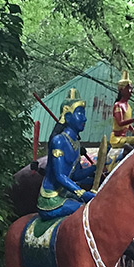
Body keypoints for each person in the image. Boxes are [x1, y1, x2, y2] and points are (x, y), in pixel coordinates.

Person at [37, 89, 97, 220]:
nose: (84, 118)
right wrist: (82, 193)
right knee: (86, 211)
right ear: (68, 116)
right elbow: (60, 176)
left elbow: (75, 175)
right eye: (80, 114)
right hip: (52, 198)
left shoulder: (75, 142)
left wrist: (94, 169)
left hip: (65, 194)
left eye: (84, 114)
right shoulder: (58, 141)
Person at [110, 70, 134, 149]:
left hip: (124, 137)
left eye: (131, 88)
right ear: (122, 90)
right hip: (117, 139)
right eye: (128, 88)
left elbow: (127, 124)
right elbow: (120, 123)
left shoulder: (128, 106)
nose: (131, 91)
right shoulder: (118, 105)